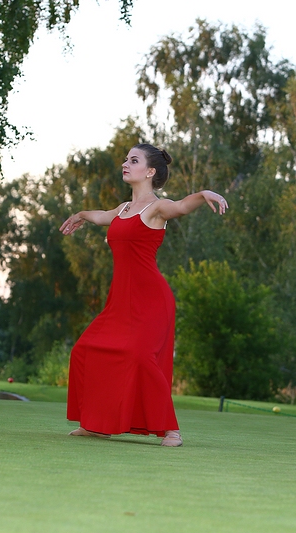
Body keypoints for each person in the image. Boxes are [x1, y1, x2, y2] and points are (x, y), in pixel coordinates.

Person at [59, 143, 228, 447]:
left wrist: (203, 194)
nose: (125, 164)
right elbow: (102, 216)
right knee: (84, 350)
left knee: (140, 357)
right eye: (126, 159)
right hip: (120, 303)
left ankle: (171, 430)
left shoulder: (157, 208)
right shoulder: (123, 209)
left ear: (150, 171)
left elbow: (181, 206)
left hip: (151, 300)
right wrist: (81, 214)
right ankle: (96, 424)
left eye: (133, 160)